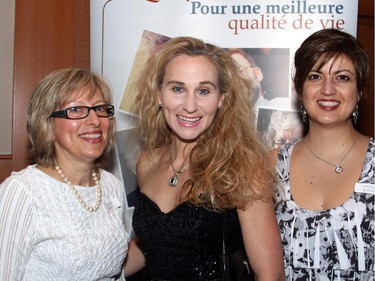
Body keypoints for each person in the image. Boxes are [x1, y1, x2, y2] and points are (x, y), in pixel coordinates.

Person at [124, 36, 285, 280]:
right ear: (159, 95)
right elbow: (154, 245)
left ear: (221, 99)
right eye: (178, 89)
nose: (190, 105)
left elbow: (270, 276)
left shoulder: (243, 169)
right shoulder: (146, 162)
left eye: (203, 90)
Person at [0, 68, 129, 280]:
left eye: (100, 108)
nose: (95, 120)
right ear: (48, 125)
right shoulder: (22, 192)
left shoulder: (111, 186)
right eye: (76, 109)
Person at [271, 28, 374, 280]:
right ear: (300, 89)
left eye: (342, 77)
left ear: (359, 91)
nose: (328, 89)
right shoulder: (269, 166)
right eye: (315, 76)